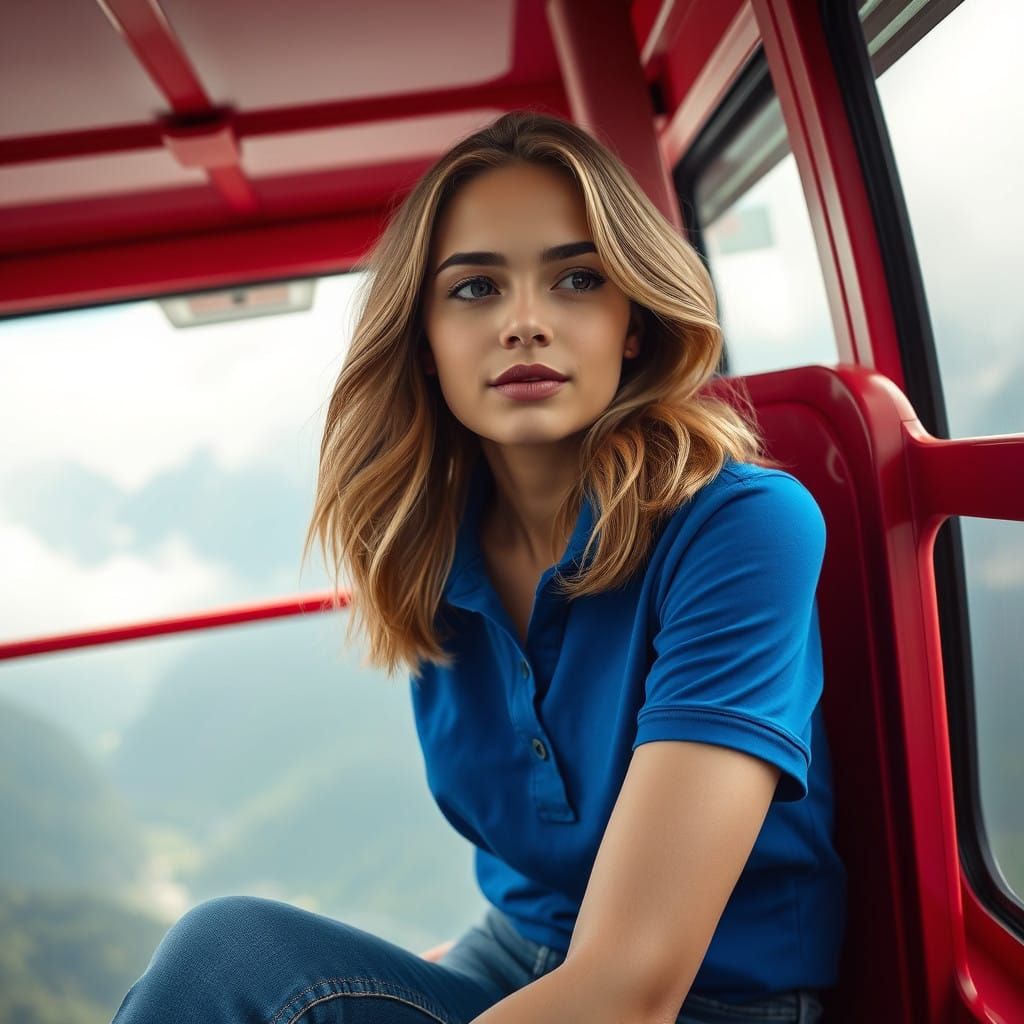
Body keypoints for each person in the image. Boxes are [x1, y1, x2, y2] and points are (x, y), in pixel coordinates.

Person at [112, 110, 846, 1024]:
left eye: (578, 279)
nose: (525, 324)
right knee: (226, 956)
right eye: (475, 288)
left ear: (632, 322)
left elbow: (630, 987)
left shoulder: (741, 527)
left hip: (706, 1002)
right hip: (509, 960)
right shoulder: (426, 542)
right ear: (424, 340)